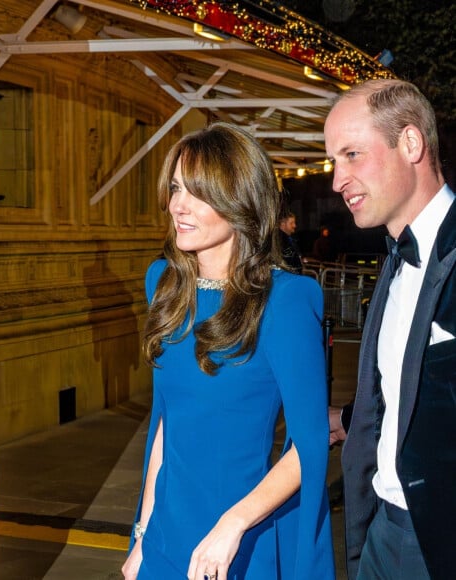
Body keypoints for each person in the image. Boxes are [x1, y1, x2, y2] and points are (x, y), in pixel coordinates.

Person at [122, 122, 335, 580]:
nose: (177, 205)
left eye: (197, 193)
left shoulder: (286, 300)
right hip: (164, 537)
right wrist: (141, 534)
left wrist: (232, 525)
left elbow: (310, 444)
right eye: (176, 188)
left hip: (238, 541)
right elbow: (165, 423)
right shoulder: (163, 283)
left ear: (239, 201)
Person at [324, 79, 456, 579]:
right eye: (334, 160)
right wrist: (353, 416)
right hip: (379, 527)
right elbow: (423, 385)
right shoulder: (395, 258)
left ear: (411, 144)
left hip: (438, 539)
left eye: (352, 154)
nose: (337, 180)